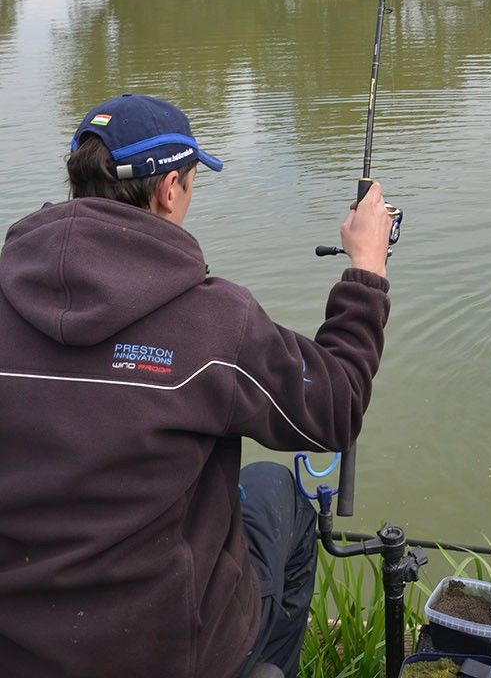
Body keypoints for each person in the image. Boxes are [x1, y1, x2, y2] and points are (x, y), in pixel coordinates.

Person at [0, 93, 394, 678]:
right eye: (190, 182)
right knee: (279, 493)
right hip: (166, 653)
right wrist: (367, 269)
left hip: (19, 644)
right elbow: (333, 407)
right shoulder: (213, 323)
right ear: (168, 190)